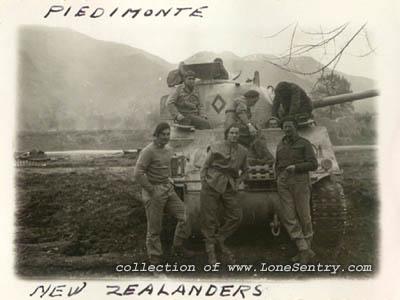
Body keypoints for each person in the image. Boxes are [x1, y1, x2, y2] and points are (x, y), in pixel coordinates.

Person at [134, 122, 194, 264]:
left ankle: (177, 247)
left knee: (185, 216)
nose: (166, 137)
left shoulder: (168, 150)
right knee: (154, 228)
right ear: (156, 135)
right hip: (154, 191)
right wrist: (150, 189)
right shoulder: (148, 151)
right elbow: (138, 173)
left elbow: (164, 168)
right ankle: (155, 259)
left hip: (167, 188)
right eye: (163, 135)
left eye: (168, 134)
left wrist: (169, 180)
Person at [200, 125, 249, 264]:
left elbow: (246, 170)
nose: (234, 135)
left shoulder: (243, 151)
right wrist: (204, 181)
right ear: (227, 134)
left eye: (237, 133)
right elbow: (205, 165)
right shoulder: (216, 146)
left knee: (236, 215)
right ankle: (211, 252)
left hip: (229, 186)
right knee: (209, 218)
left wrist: (239, 180)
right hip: (212, 183)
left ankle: (218, 239)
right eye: (232, 132)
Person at [275, 117, 318, 264]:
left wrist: (296, 167)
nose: (287, 129)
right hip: (283, 182)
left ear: (295, 127)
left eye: (290, 126)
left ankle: (306, 249)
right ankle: (303, 249)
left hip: (299, 181)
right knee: (289, 217)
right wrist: (278, 177)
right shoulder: (281, 144)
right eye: (285, 127)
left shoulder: (304, 143)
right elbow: (277, 163)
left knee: (304, 216)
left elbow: (313, 164)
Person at [225, 90, 274, 165]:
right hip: (233, 127)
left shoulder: (240, 101)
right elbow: (241, 114)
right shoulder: (242, 102)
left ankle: (252, 157)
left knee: (253, 135)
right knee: (257, 135)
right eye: (254, 101)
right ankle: (265, 157)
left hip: (233, 127)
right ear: (250, 98)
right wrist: (250, 126)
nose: (254, 104)